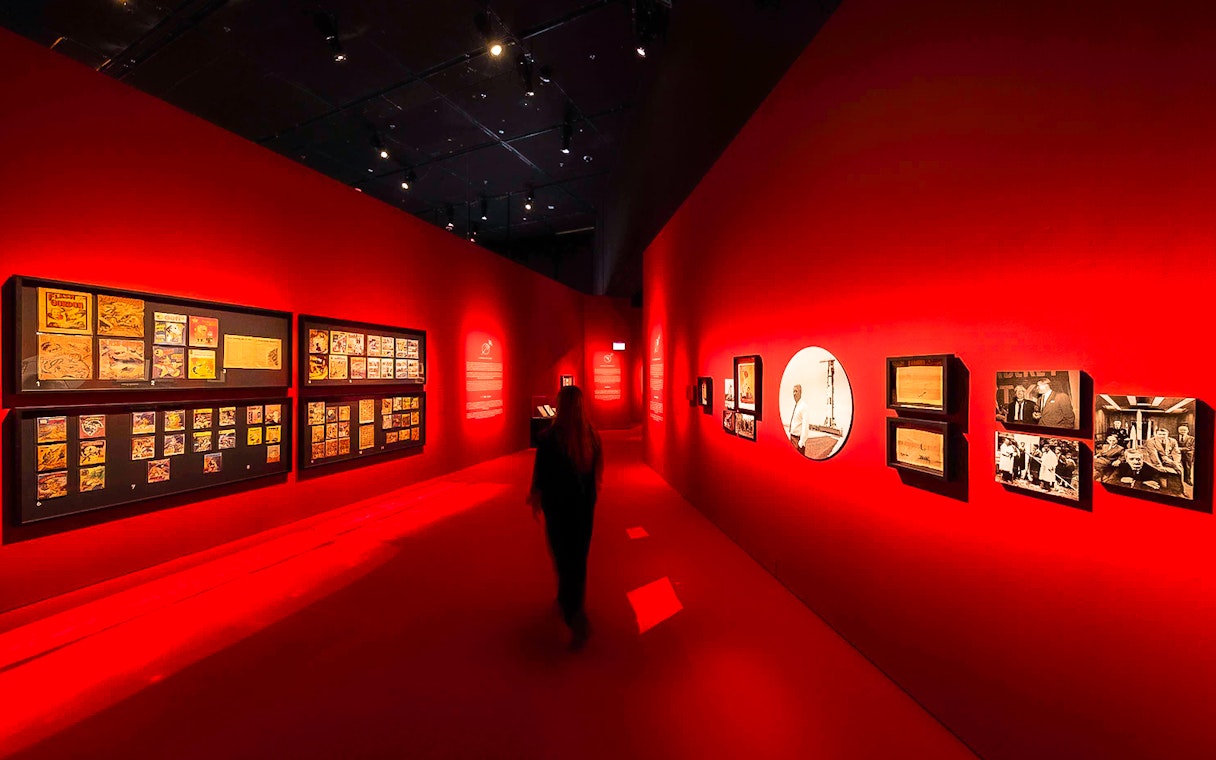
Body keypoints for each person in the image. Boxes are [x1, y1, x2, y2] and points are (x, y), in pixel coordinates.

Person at [528, 385, 604, 649]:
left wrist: (535, 496)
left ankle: (573, 613)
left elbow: (541, 475)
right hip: (583, 509)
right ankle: (572, 603)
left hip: (557, 508)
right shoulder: (592, 437)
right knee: (579, 558)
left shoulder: (549, 438)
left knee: (562, 556)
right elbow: (595, 478)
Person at [1102, 447, 1182, 495]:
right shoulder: (1122, 467)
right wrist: (1143, 483)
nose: (1136, 462)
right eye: (1131, 459)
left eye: (1138, 459)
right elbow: (1110, 482)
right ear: (1126, 460)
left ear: (1143, 459)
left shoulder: (1151, 470)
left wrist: (1134, 482)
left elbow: (1154, 489)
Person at [788, 384, 807, 454]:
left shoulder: (803, 406)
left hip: (798, 440)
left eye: (796, 391)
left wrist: (801, 443)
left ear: (800, 392)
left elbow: (805, 427)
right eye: (793, 391)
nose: (794, 394)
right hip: (792, 439)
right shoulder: (797, 406)